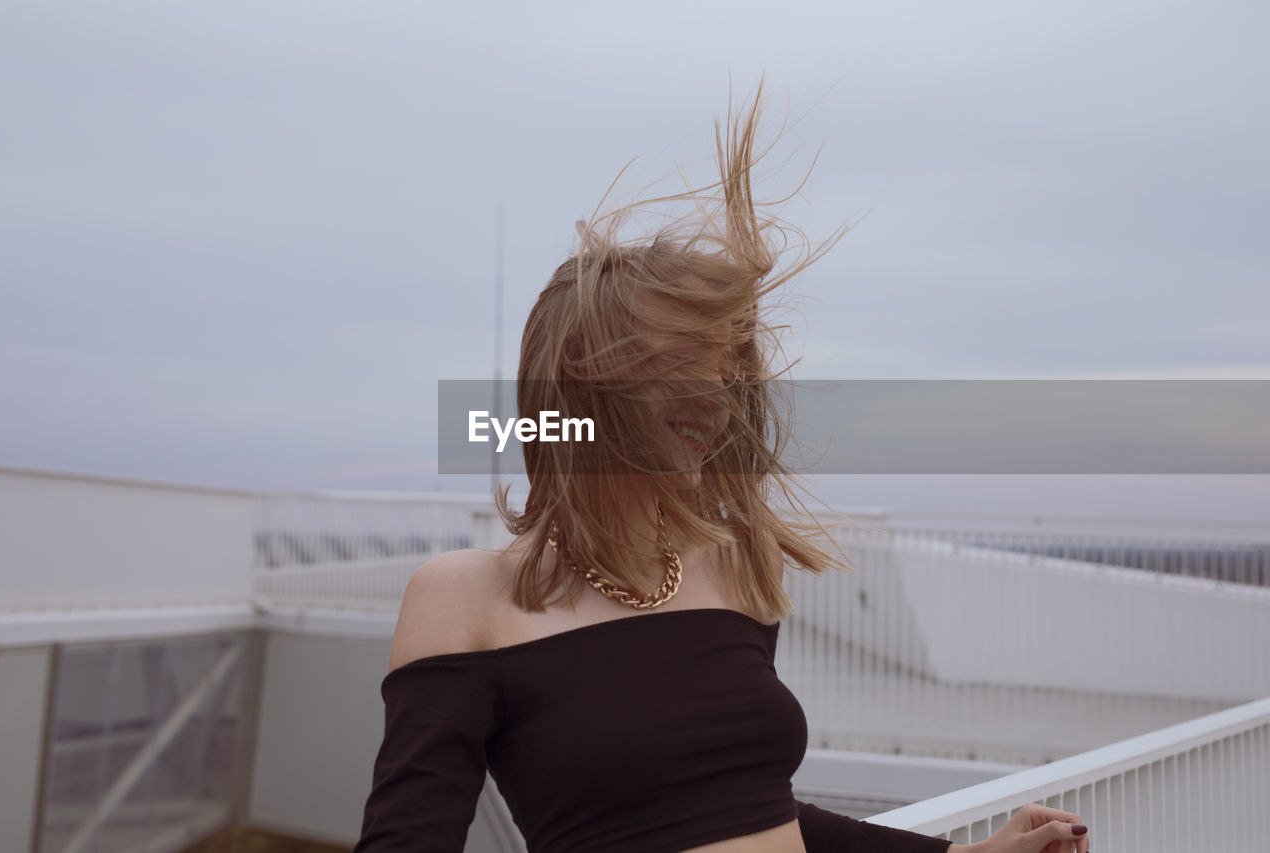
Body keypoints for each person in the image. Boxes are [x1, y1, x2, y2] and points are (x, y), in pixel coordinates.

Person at [354, 86, 1092, 853]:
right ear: (583, 391)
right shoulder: (466, 598)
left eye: (721, 368)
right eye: (677, 366)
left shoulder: (737, 566)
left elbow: (754, 811)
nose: (712, 396)